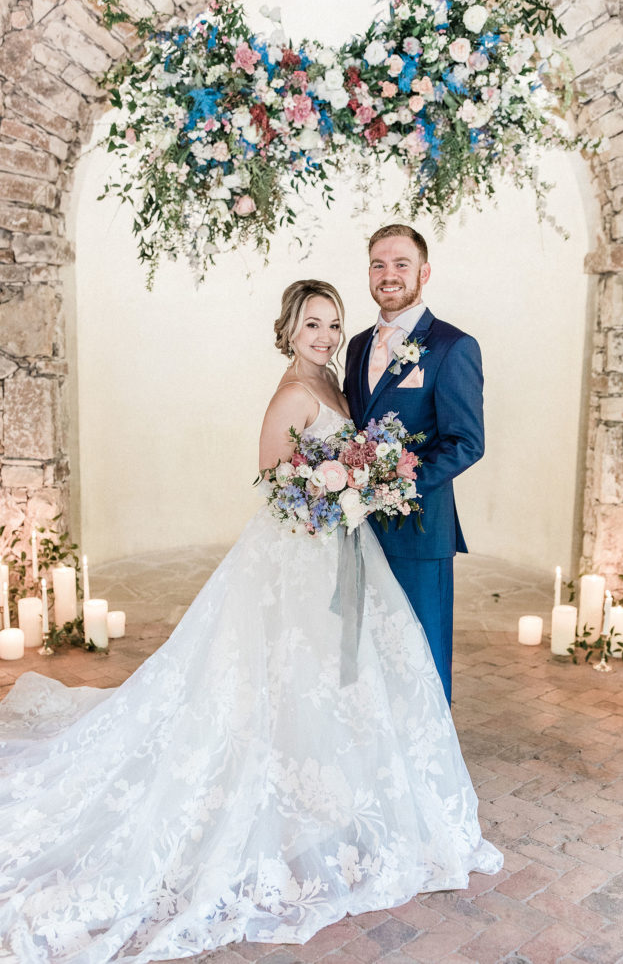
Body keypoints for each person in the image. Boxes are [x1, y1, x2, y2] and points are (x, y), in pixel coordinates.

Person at [0, 279, 501, 963]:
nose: (325, 336)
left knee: (338, 674)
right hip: (297, 557)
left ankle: (334, 791)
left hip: (343, 547)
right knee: (286, 672)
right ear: (288, 330)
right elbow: (271, 484)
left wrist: (357, 484)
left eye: (332, 324)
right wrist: (329, 499)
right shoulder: (294, 393)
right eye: (312, 325)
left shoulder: (337, 383)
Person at [345, 225, 485, 705]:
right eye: (379, 264)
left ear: (424, 272)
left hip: (421, 529)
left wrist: (398, 487)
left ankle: (428, 766)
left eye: (401, 264)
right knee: (370, 647)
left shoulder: (452, 346)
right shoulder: (358, 344)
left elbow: (466, 442)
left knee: (421, 654)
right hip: (359, 528)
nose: (389, 275)